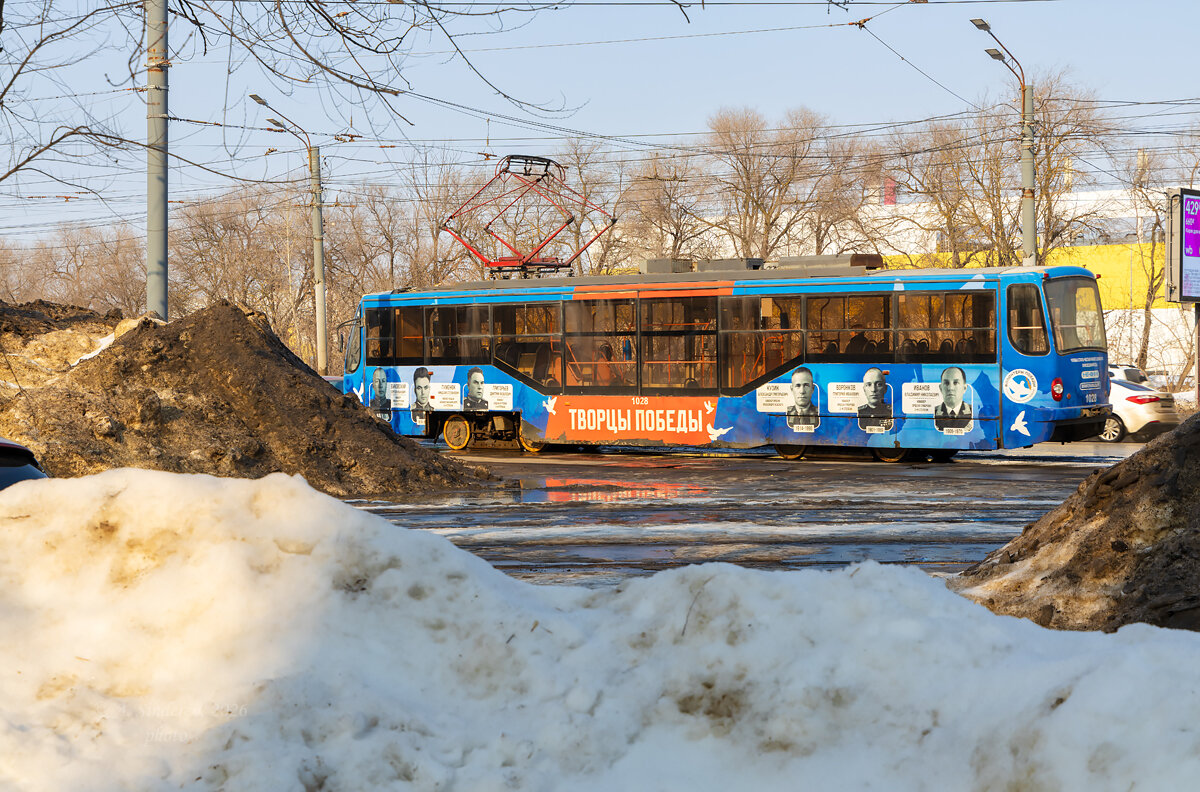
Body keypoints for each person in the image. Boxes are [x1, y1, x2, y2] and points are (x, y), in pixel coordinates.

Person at [934, 365, 973, 430]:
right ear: (941, 388)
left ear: (964, 388)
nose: (950, 388)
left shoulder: (973, 412)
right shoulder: (933, 412)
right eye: (946, 383)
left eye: (955, 383)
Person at [857, 366, 893, 431]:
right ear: (864, 389)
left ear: (885, 388)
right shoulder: (860, 411)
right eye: (869, 384)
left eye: (879, 384)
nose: (873, 389)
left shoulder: (892, 411)